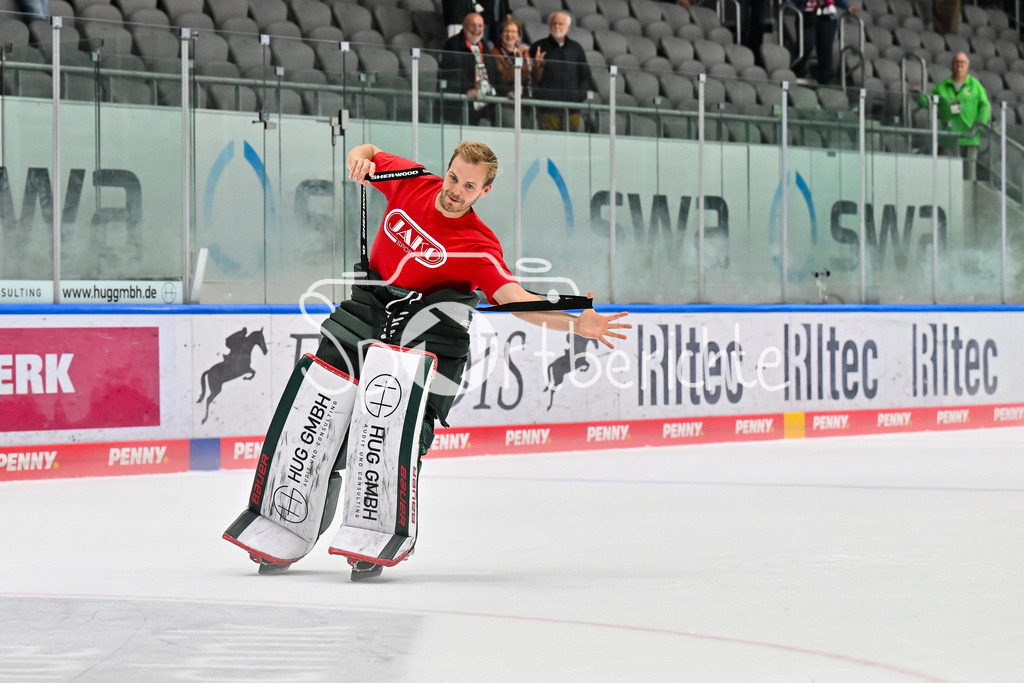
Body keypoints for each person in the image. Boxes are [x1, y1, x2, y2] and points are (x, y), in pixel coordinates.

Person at [234, 141, 631, 580]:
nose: (456, 190)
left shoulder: (479, 246)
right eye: (455, 177)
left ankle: (375, 530)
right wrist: (359, 159)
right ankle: (286, 519)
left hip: (428, 334)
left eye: (470, 186)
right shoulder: (412, 182)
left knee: (398, 431)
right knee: (316, 408)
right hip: (366, 312)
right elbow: (367, 151)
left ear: (485, 191)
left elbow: (515, 301)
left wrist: (577, 323)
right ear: (448, 170)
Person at [913, 52, 991, 181]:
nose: (959, 65)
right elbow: (929, 102)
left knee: (969, 177)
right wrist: (917, 96)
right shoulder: (943, 86)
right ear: (952, 65)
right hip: (949, 137)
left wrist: (979, 126)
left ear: (967, 66)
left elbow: (985, 106)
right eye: (956, 62)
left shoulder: (975, 85)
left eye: (963, 63)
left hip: (969, 137)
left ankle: (967, 201)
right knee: (948, 177)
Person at [529, 11, 595, 132]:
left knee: (572, 144)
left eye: (560, 24)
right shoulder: (538, 47)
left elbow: (585, 76)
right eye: (554, 23)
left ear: (568, 27)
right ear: (549, 25)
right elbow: (532, 78)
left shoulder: (576, 48)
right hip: (548, 109)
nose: (556, 26)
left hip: (572, 109)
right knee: (550, 145)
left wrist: (579, 97)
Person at [440, 12, 502, 125]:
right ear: (464, 26)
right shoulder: (453, 44)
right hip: (462, 103)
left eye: (480, 26)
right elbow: (454, 72)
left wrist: (508, 91)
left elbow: (495, 72)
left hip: (485, 102)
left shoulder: (483, 45)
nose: (476, 29)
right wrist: (468, 89)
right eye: (472, 25)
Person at [791, 0, 858, 85]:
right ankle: (798, 74)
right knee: (806, 45)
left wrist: (847, 6)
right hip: (807, 15)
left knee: (826, 51)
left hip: (828, 17)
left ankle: (824, 84)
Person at [490, 14, 534, 99]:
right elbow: (505, 79)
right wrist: (517, 61)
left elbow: (531, 77)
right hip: (506, 99)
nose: (509, 35)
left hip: (525, 98)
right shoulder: (494, 53)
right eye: (506, 31)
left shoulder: (524, 52)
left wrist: (539, 65)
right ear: (500, 35)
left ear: (518, 36)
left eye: (513, 31)